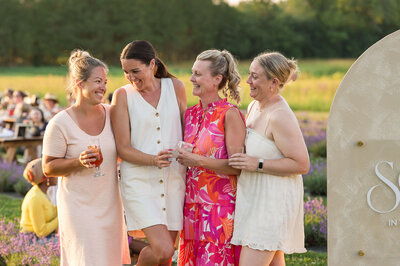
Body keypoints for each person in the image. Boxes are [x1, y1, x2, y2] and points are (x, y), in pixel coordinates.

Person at [42, 49, 130, 266]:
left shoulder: (112, 114)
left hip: (110, 205)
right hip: (78, 207)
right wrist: (78, 162)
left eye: (105, 81)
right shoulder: (60, 123)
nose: (103, 87)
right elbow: (48, 168)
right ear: (79, 83)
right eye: (97, 81)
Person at [228, 52, 310, 266]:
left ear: (274, 82)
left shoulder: (280, 115)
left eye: (255, 77)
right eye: (249, 74)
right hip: (255, 198)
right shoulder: (255, 106)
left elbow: (302, 164)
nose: (248, 81)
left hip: (272, 203)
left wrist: (258, 163)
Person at [111, 40, 187, 266]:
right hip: (139, 183)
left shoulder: (176, 87)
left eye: (135, 71)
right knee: (163, 249)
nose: (131, 77)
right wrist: (153, 160)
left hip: (174, 180)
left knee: (165, 257)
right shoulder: (122, 96)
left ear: (152, 64)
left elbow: (186, 129)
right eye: (126, 72)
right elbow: (122, 147)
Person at [176, 49, 246, 265]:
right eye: (192, 72)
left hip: (219, 208)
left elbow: (237, 167)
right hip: (191, 205)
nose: (191, 78)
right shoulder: (190, 114)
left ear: (217, 80)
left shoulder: (230, 114)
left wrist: (197, 161)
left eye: (198, 74)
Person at [20, 158, 58, 238]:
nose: (56, 175)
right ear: (46, 177)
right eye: (53, 172)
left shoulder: (43, 193)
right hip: (32, 240)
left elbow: (52, 213)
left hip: (43, 237)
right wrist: (60, 219)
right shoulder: (35, 198)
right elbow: (41, 232)